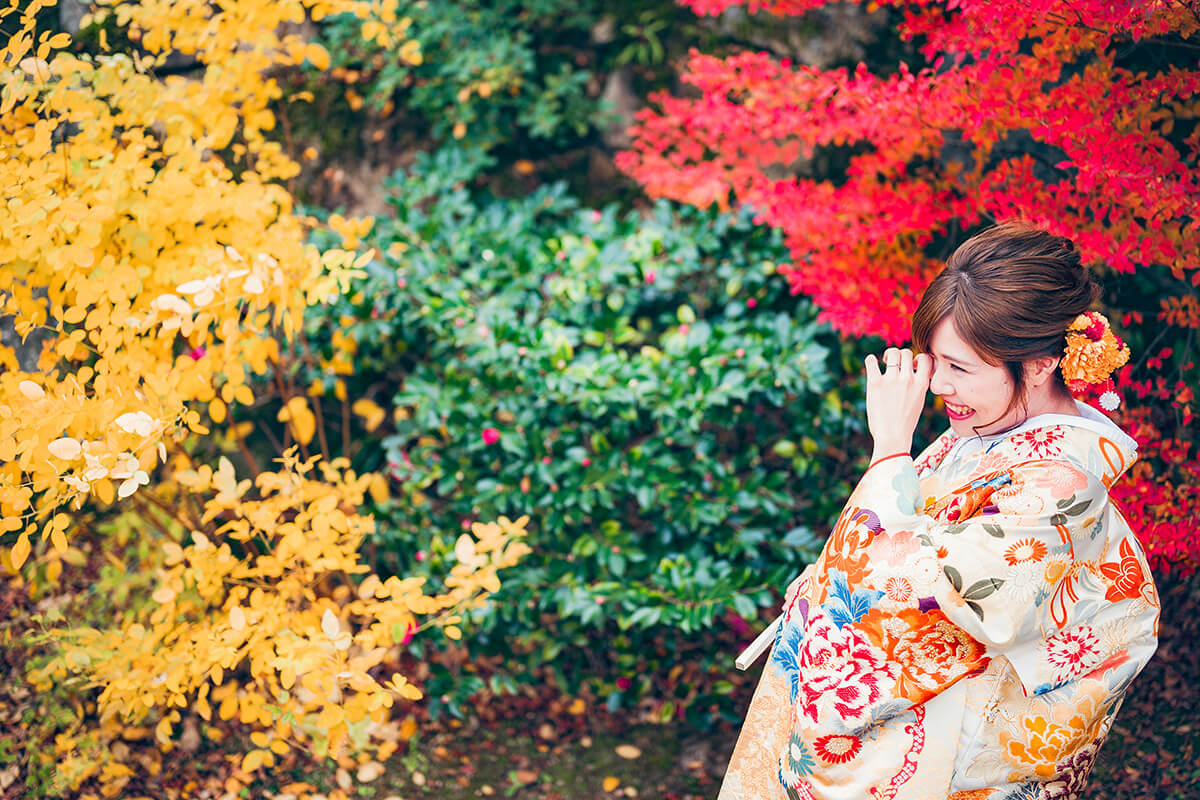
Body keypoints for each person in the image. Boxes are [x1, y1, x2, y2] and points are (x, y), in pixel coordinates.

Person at [719, 224, 1160, 800]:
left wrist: (889, 451)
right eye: (934, 362)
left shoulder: (1061, 477)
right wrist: (829, 577)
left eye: (960, 367)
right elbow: (894, 546)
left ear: (1038, 364)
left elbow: (930, 596)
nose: (938, 385)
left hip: (961, 746)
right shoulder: (993, 428)